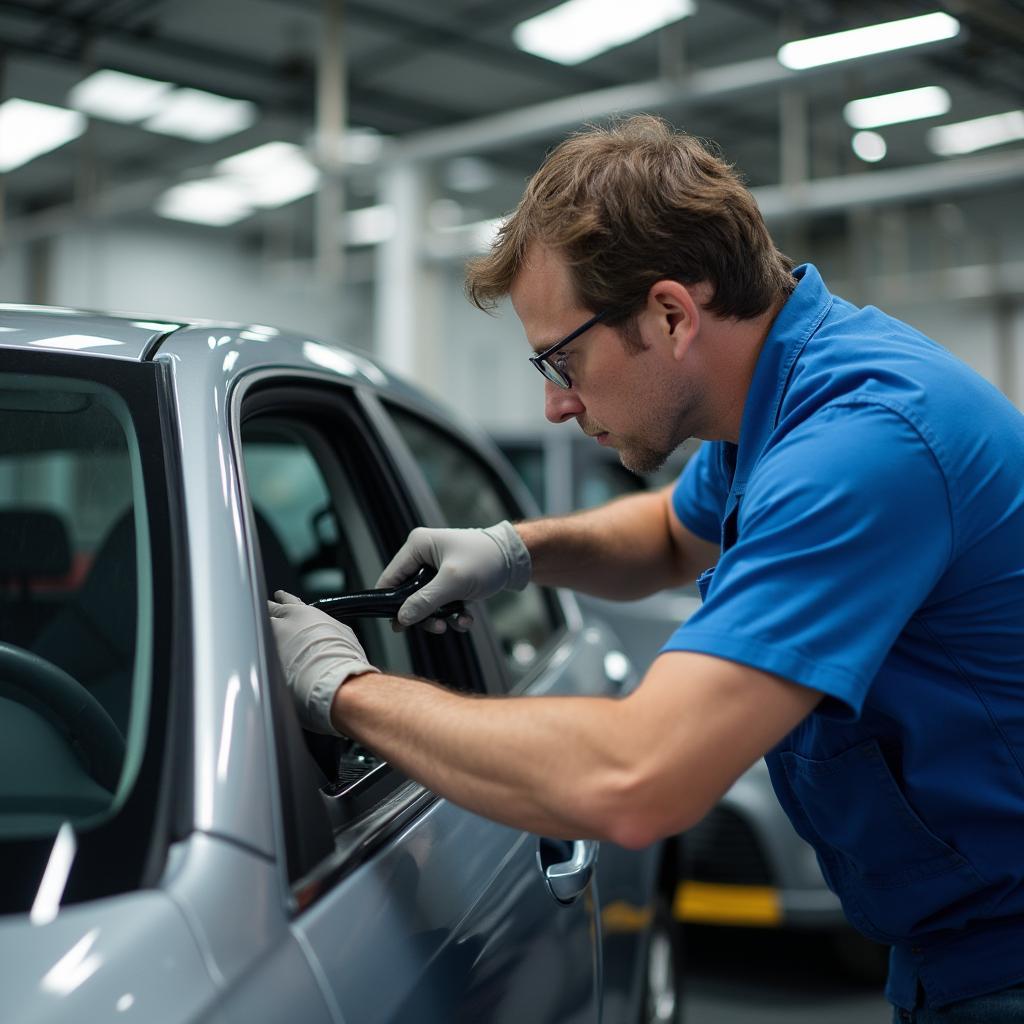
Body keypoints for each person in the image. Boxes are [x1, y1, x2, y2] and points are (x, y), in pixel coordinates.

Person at [269, 115, 1024, 1022]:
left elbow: (636, 781)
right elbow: (673, 534)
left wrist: (345, 689)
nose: (555, 404)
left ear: (670, 314)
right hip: (956, 944)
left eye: (562, 358)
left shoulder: (861, 447)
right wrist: (516, 550)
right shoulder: (776, 400)